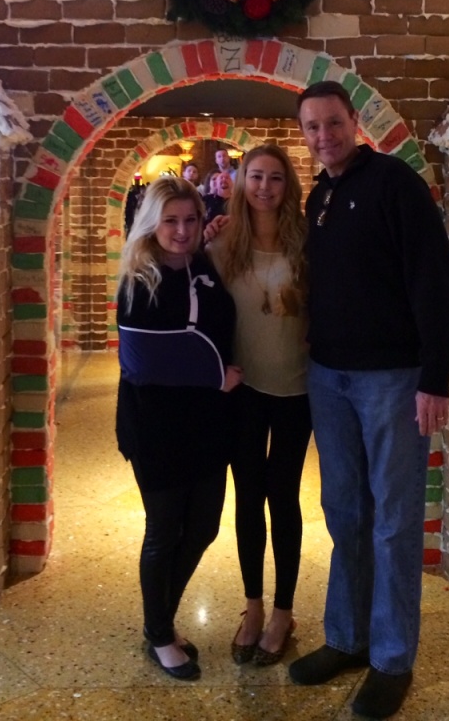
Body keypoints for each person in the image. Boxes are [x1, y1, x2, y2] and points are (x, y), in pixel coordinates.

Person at [288, 81, 449, 720]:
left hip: (393, 378)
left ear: (354, 122)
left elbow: (437, 284)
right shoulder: (320, 197)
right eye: (312, 127)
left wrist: (434, 380)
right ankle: (347, 637)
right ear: (303, 134)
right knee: (345, 514)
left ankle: (391, 659)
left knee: (392, 521)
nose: (324, 136)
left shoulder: (395, 184)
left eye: (333, 123)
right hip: (329, 376)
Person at [115, 176, 243, 682]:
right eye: (171, 220)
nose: (182, 230)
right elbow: (144, 360)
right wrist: (215, 374)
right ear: (152, 222)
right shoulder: (137, 278)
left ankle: (161, 621)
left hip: (209, 423)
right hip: (155, 427)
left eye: (190, 219)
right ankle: (159, 632)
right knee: (165, 531)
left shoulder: (205, 267)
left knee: (205, 527)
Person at [207, 144, 310, 667]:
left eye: (274, 178)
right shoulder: (223, 244)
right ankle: (252, 605)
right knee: (246, 497)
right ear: (240, 182)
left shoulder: (307, 243)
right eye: (255, 177)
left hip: (297, 391)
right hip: (243, 390)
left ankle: (283, 611)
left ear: (287, 185)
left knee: (283, 498)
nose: (264, 187)